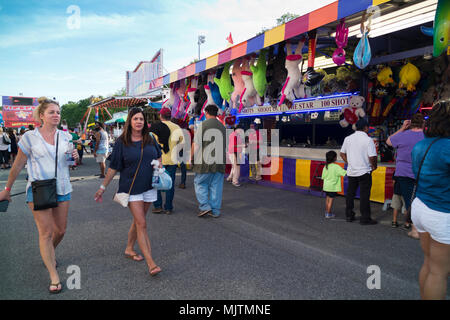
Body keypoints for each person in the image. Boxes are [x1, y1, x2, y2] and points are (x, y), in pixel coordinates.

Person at [0, 97, 79, 294]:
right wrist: (7, 189)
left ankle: (48, 253)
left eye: (58, 112)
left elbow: (68, 162)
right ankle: (54, 275)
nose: (56, 115)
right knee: (45, 233)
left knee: (60, 230)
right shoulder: (29, 137)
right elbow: (18, 164)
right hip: (38, 189)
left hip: (62, 187)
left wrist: (75, 158)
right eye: (52, 112)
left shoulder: (66, 136)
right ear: (41, 115)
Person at [94, 107, 162, 277]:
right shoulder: (122, 142)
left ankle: (129, 248)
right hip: (131, 188)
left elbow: (159, 156)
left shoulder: (150, 138)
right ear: (130, 122)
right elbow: (114, 167)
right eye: (135, 119)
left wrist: (158, 165)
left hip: (149, 186)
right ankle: (151, 263)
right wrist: (103, 188)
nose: (139, 121)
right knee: (142, 224)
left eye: (141, 119)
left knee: (139, 221)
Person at [411, 100, 450, 300]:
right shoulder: (448, 147)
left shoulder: (420, 145)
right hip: (441, 212)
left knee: (429, 263)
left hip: (420, 208)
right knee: (439, 272)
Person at [387, 114, 425, 236]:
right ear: (423, 124)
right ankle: (421, 228)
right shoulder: (427, 136)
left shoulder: (402, 135)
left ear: (410, 123)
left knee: (410, 201)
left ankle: (415, 229)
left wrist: (402, 128)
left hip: (404, 173)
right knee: (423, 200)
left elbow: (388, 141)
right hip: (422, 173)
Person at [340, 118, 378, 225]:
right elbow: (372, 156)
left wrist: (350, 162)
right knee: (364, 195)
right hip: (364, 171)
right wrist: (374, 166)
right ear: (366, 128)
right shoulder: (368, 140)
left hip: (352, 171)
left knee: (350, 194)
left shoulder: (348, 138)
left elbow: (342, 154)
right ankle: (365, 218)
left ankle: (349, 215)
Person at [192, 105, 226, 218]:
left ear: (206, 112)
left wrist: (190, 157)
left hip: (204, 161)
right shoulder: (222, 126)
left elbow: (196, 144)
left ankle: (205, 206)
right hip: (219, 161)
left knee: (200, 183)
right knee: (216, 186)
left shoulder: (203, 125)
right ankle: (215, 210)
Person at [150, 108, 184, 215]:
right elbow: (182, 143)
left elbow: (150, 144)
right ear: (170, 116)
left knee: (156, 183)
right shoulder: (177, 127)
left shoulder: (155, 128)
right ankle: (168, 207)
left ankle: (158, 206)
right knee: (170, 184)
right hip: (172, 160)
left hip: (157, 160)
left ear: (161, 116)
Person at [321, 151, 347, 219]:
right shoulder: (336, 167)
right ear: (335, 158)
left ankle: (326, 211)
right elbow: (344, 173)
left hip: (326, 186)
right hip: (332, 187)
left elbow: (323, 176)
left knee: (327, 199)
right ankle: (328, 214)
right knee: (331, 200)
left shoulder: (325, 166)